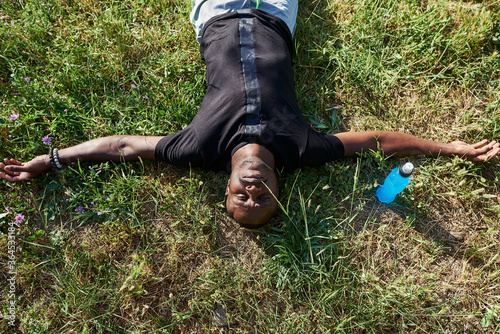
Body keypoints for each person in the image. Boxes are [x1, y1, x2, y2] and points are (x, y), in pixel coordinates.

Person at [1, 1, 499, 228]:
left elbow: (122, 146)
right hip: (278, 13)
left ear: (226, 186)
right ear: (281, 188)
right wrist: (450, 147)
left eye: (242, 196)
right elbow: (377, 143)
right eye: (262, 198)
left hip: (215, 13)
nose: (252, 189)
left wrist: (54, 158)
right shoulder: (301, 149)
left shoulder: (198, 148)